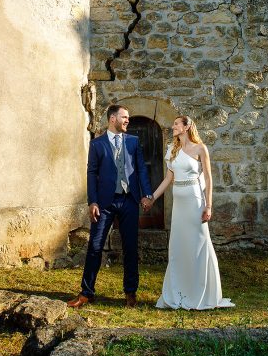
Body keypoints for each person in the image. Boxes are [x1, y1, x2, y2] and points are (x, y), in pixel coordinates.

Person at [68, 104, 153, 308]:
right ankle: (86, 293)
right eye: (124, 117)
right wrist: (93, 201)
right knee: (95, 247)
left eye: (128, 118)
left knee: (130, 248)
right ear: (112, 119)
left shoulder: (133, 142)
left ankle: (130, 293)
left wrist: (147, 194)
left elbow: (141, 169)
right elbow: (91, 173)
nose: (128, 121)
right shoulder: (97, 144)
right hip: (104, 203)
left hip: (129, 200)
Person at [151, 115, 234, 310]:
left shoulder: (200, 149)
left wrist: (209, 206)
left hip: (195, 202)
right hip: (178, 205)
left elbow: (208, 179)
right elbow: (167, 179)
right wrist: (152, 198)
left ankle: (203, 293)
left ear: (187, 127)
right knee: (179, 246)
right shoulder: (172, 150)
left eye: (176, 124)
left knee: (199, 243)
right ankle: (179, 291)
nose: (173, 127)